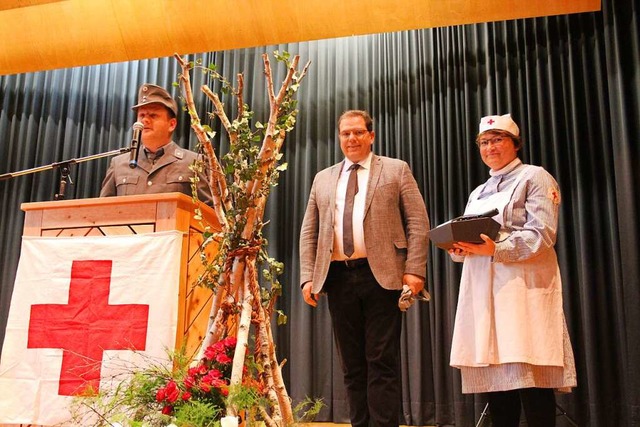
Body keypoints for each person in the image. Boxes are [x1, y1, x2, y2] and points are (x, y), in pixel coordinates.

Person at [299, 110, 429, 427]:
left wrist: (415, 269)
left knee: (381, 360)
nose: (352, 138)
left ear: (371, 135)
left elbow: (418, 221)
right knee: (352, 365)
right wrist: (306, 277)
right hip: (338, 278)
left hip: (382, 276)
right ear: (339, 137)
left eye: (358, 132)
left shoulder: (396, 170)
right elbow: (309, 231)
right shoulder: (323, 178)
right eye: (346, 133)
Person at [448, 114, 577, 427]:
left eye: (498, 140)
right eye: (485, 142)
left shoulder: (536, 178)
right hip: (484, 293)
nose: (491, 147)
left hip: (522, 290)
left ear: (515, 144)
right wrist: (459, 249)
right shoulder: (478, 192)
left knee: (530, 375)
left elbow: (543, 233)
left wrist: (497, 248)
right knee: (497, 383)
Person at [100, 83, 212, 205]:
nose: (145, 120)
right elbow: (103, 212)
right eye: (141, 115)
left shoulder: (195, 163)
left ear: (172, 124)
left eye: (153, 115)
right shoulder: (118, 164)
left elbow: (210, 213)